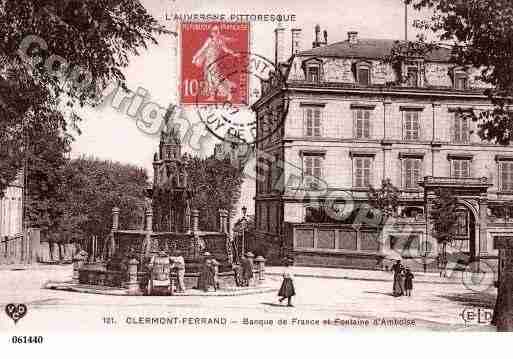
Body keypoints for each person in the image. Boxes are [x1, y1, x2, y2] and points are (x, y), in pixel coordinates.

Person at [192, 24, 240, 101]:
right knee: (210, 80)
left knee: (215, 80)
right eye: (214, 31)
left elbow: (226, 50)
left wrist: (234, 54)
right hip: (207, 63)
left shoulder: (220, 41)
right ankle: (212, 96)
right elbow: (202, 49)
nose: (217, 33)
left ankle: (228, 94)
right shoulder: (210, 40)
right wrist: (195, 57)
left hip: (213, 64)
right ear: (211, 33)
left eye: (218, 31)